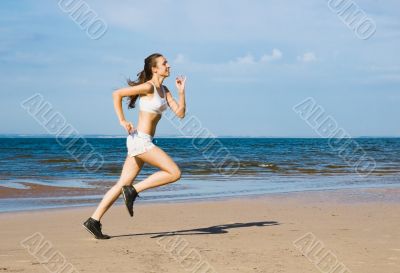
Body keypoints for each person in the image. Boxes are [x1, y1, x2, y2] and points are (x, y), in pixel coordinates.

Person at [83, 53, 186, 239]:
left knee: (122, 183)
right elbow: (117, 94)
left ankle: (93, 221)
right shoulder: (148, 87)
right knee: (174, 173)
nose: (169, 65)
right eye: (165, 63)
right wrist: (122, 120)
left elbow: (180, 114)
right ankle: (133, 191)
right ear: (154, 69)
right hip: (141, 141)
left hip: (142, 140)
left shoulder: (165, 90)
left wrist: (181, 92)